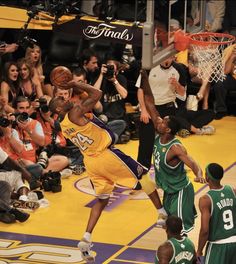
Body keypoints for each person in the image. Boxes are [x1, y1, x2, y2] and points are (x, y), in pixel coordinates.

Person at [49, 79, 167, 263]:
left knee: (102, 200)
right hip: (105, 155)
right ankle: (162, 214)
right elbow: (97, 94)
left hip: (91, 162)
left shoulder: (63, 124)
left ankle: (86, 237)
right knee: (143, 175)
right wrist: (75, 83)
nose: (65, 99)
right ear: (58, 110)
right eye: (61, 101)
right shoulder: (74, 112)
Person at [141, 69, 205, 234]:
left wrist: (198, 174)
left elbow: (191, 162)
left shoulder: (175, 148)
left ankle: (186, 257)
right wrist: (144, 78)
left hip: (180, 191)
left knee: (179, 231)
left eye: (164, 121)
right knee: (170, 230)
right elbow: (149, 102)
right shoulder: (160, 133)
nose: (160, 120)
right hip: (168, 191)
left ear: (168, 130)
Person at [197, 163, 236, 263]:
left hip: (218, 246)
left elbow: (205, 230)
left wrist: (199, 250)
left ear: (207, 177)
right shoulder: (232, 191)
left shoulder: (205, 200)